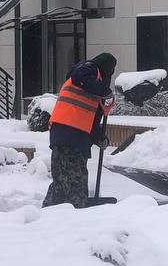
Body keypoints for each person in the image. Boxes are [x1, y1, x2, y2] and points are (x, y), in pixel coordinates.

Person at [42, 52, 117, 208]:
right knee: (76, 181)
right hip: (70, 134)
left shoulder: (93, 88)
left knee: (61, 180)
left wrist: (99, 138)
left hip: (67, 134)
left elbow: (92, 122)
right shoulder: (90, 68)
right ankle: (77, 214)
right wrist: (106, 92)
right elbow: (79, 75)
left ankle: (49, 213)